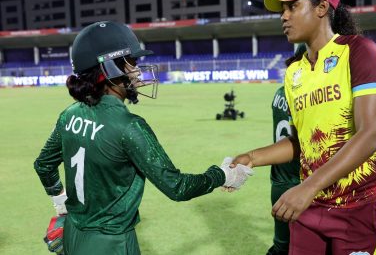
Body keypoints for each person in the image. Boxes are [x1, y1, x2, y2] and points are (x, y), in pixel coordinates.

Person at [34, 21, 253, 255]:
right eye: (133, 63)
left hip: (72, 236)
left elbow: (43, 165)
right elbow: (177, 187)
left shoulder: (69, 115)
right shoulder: (129, 126)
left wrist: (61, 203)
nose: (138, 72)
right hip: (112, 244)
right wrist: (222, 175)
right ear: (111, 69)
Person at [230, 0, 376, 254]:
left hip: (360, 207)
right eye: (282, 10)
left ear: (321, 8)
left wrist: (306, 188)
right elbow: (301, 142)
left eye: (292, 7)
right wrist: (252, 157)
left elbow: (371, 134)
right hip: (311, 209)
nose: (283, 16)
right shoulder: (294, 72)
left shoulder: (358, 51)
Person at [268, 67, 376, 254]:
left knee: (281, 247)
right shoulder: (321, 96)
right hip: (310, 189)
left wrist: (252, 158)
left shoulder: (282, 93)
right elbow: (351, 156)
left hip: (282, 182)